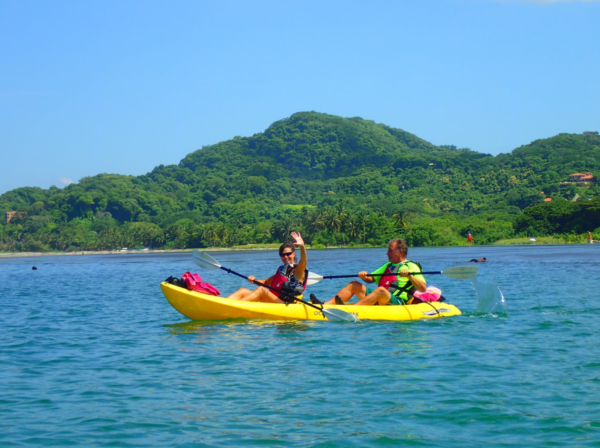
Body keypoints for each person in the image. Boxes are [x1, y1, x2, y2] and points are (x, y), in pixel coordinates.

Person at [323, 238, 426, 306]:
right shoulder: (388, 266)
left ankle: (353, 309)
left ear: (400, 252)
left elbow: (423, 288)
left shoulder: (412, 266)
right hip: (380, 297)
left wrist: (410, 276)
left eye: (390, 251)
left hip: (398, 302)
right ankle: (326, 305)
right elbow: (371, 278)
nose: (387, 253)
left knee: (380, 290)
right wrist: (364, 276)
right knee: (353, 284)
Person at [227, 232, 307, 303]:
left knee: (261, 290)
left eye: (288, 254)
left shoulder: (298, 271)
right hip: (274, 301)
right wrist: (254, 280)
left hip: (285, 305)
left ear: (294, 254)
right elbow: (265, 282)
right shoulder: (283, 271)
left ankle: (235, 306)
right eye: (282, 255)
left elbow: (303, 261)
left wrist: (302, 246)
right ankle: (224, 304)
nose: (285, 257)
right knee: (243, 291)